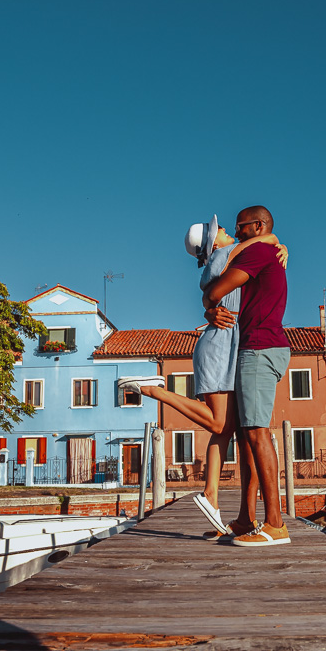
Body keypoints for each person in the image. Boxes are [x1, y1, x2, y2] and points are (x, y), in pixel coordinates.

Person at [117, 215, 286, 536]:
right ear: (212, 244)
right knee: (222, 423)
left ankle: (234, 511)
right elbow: (257, 243)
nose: (228, 231)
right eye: (221, 231)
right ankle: (156, 391)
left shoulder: (226, 257)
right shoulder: (228, 255)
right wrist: (275, 241)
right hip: (223, 345)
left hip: (228, 344)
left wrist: (275, 242)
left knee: (231, 430)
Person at [203, 205, 291, 548]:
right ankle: (245, 518)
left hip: (259, 348)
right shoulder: (266, 247)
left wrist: (211, 304)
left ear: (256, 226)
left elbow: (215, 289)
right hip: (253, 347)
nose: (236, 234)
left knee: (257, 433)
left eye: (241, 228)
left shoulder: (258, 251)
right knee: (245, 436)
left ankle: (276, 524)